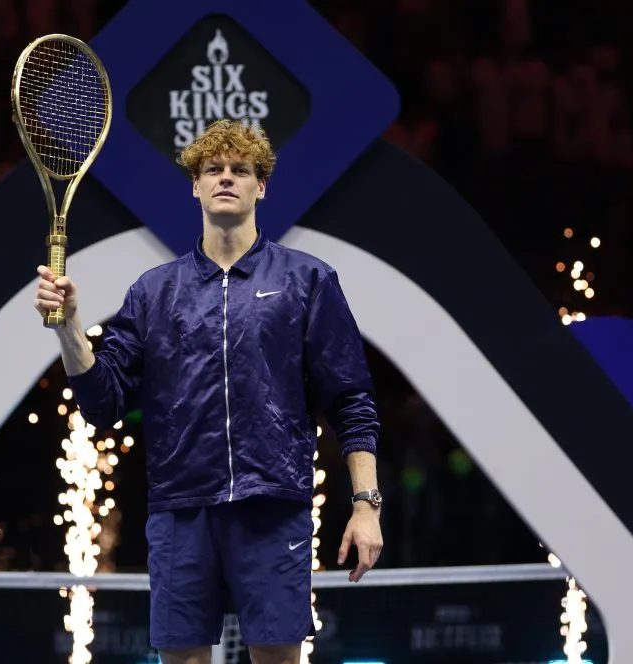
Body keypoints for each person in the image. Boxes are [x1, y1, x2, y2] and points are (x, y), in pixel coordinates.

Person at [34, 119, 383, 664]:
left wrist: (366, 505)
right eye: (212, 169)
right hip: (180, 511)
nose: (226, 178)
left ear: (260, 187)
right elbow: (102, 406)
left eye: (240, 170)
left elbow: (352, 401)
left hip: (274, 506)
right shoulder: (153, 292)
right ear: (194, 185)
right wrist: (69, 326)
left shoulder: (308, 280)